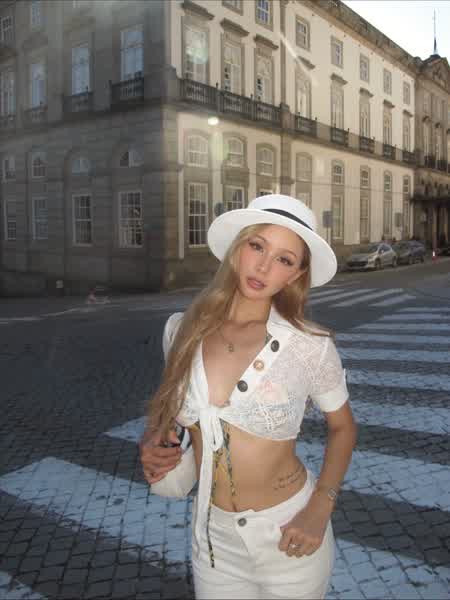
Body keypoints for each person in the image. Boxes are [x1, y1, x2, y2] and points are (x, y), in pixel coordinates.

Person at [140, 194, 357, 599]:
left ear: (295, 275)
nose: (263, 267)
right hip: (212, 543)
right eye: (257, 246)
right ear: (238, 247)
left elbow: (343, 428)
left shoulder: (309, 346)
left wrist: (320, 506)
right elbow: (173, 417)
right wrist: (155, 443)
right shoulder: (180, 331)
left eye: (284, 259)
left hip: (290, 533)